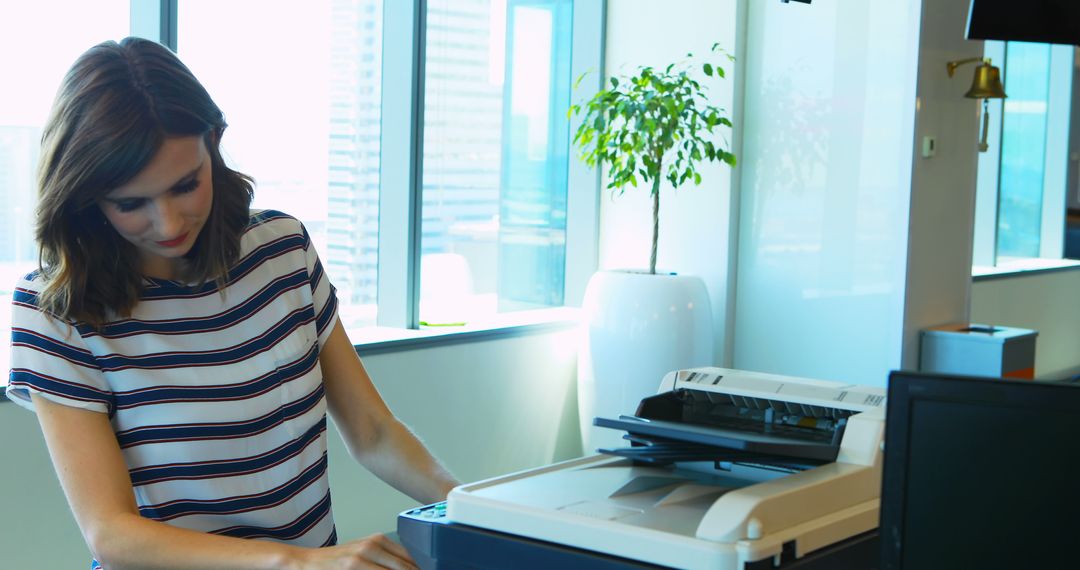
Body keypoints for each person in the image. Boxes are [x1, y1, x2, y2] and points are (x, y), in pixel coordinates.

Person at [5, 37, 458, 570]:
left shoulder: (282, 251)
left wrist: (483, 510)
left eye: (185, 185)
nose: (169, 224)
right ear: (86, 197)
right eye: (131, 204)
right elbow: (111, 534)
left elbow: (374, 432)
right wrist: (299, 564)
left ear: (213, 144)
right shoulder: (54, 311)